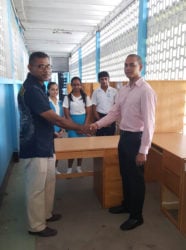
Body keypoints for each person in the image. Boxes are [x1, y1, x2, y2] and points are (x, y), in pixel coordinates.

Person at [18, 51, 89, 237]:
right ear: (30, 68)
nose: (45, 69)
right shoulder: (32, 90)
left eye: (48, 66)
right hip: (34, 146)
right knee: (36, 188)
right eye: (40, 66)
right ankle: (36, 226)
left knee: (48, 182)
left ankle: (46, 215)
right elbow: (56, 119)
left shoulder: (38, 86)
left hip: (45, 143)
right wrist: (82, 128)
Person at [90, 54, 157, 230]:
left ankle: (137, 216)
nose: (128, 68)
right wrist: (97, 124)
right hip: (124, 137)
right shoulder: (124, 90)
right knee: (125, 174)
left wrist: (144, 150)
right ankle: (127, 205)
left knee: (136, 179)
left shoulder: (146, 91)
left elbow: (150, 123)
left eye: (132, 65)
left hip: (137, 139)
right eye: (125, 65)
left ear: (140, 67)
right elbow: (114, 113)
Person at [63, 76, 92, 174]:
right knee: (72, 147)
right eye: (74, 84)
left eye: (78, 84)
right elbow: (66, 114)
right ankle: (69, 168)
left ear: (81, 85)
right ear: (71, 85)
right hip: (72, 123)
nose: (76, 86)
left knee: (81, 147)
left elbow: (88, 113)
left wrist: (84, 127)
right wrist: (74, 126)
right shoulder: (67, 98)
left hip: (83, 122)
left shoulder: (86, 97)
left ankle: (79, 167)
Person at [91, 71, 118, 136]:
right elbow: (94, 107)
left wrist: (111, 119)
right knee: (99, 138)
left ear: (109, 79)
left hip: (111, 116)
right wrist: (99, 120)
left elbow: (116, 105)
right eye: (102, 79)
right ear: (99, 81)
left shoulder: (114, 91)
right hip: (99, 116)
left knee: (110, 138)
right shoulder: (96, 92)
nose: (104, 81)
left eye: (106, 79)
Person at [47, 81, 64, 174]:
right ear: (48, 90)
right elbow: (46, 119)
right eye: (52, 89)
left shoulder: (60, 102)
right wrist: (53, 131)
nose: (55, 92)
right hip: (50, 131)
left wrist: (62, 129)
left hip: (59, 131)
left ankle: (55, 168)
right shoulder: (46, 102)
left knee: (58, 151)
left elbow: (61, 117)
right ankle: (50, 170)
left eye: (56, 89)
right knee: (50, 152)